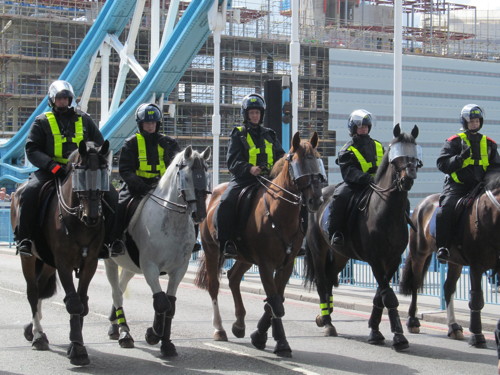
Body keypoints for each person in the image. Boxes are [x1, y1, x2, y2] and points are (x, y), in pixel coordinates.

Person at [14, 80, 125, 258]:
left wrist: (93, 161)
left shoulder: (85, 119)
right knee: (29, 192)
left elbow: (99, 144)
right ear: (52, 100)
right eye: (59, 98)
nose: (63, 101)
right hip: (51, 170)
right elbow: (32, 149)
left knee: (112, 195)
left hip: (81, 172)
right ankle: (25, 238)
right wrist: (52, 165)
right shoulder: (41, 121)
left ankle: (111, 240)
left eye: (66, 98)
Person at [217, 93, 285, 257]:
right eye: (251, 113)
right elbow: (232, 162)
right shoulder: (238, 133)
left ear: (262, 114)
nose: (255, 116)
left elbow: (281, 157)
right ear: (246, 114)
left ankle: (295, 240)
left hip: (268, 180)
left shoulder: (270, 134)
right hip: (244, 181)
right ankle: (227, 242)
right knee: (226, 202)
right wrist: (249, 168)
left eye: (257, 113)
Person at [436, 104, 500, 263]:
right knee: (445, 209)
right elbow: (442, 164)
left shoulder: (490, 143)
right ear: (464, 122)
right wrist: (459, 159)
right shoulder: (454, 141)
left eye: (477, 121)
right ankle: (443, 247)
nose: (475, 124)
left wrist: (488, 180)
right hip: (457, 187)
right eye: (471, 121)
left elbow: (496, 167)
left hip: (482, 188)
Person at [111, 103, 180, 243]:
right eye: (147, 122)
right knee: (119, 207)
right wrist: (139, 185)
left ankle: (190, 240)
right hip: (137, 189)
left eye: (154, 122)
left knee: (188, 204)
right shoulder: (131, 143)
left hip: (163, 187)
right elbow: (125, 170)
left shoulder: (169, 142)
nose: (151, 126)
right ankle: (115, 241)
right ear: (141, 124)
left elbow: (178, 166)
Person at [328, 109, 384, 246]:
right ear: (353, 128)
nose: (363, 129)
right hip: (356, 186)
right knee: (340, 196)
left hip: (378, 185)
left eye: (366, 126)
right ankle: (336, 232)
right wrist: (366, 178)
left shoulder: (378, 145)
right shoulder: (347, 149)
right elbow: (348, 171)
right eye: (360, 126)